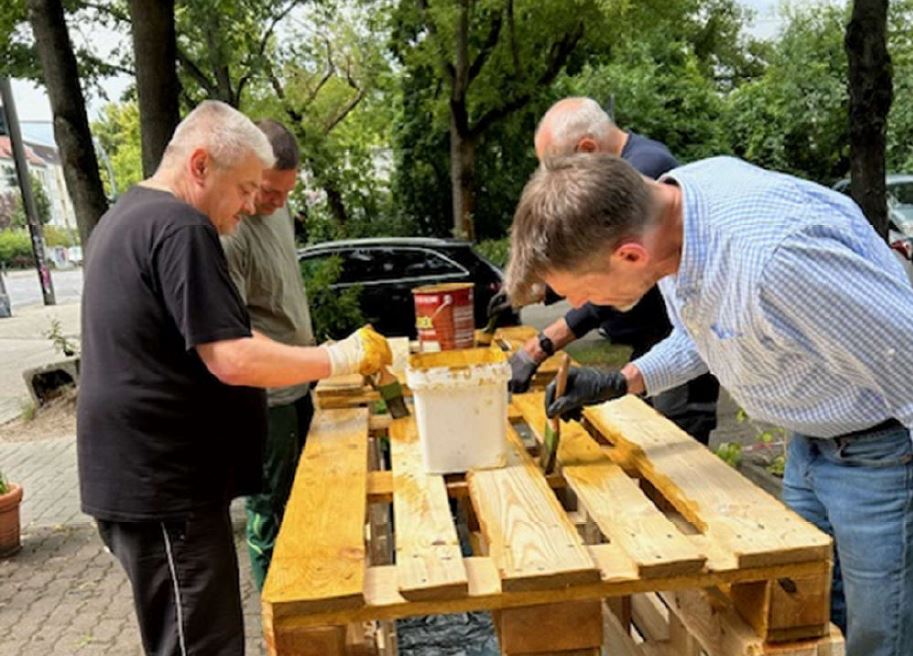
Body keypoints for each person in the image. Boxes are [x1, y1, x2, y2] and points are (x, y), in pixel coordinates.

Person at [504, 152, 913, 656]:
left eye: (588, 292)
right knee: (804, 614)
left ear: (629, 256)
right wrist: (622, 380)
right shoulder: (676, 216)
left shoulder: (774, 259)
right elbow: (716, 330)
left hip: (885, 453)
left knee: (884, 635)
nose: (595, 307)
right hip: (814, 441)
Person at [77, 100, 391, 656]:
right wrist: (337, 359)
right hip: (163, 489)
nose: (251, 205)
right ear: (200, 165)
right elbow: (233, 359)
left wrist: (321, 353)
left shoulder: (128, 216)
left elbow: (224, 337)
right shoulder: (182, 227)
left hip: (153, 484)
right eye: (246, 187)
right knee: (203, 644)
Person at [503, 97, 719, 443]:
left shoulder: (641, 173)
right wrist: (538, 290)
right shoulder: (624, 175)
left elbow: (605, 285)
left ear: (587, 149)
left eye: (560, 171)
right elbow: (596, 272)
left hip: (680, 359)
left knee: (677, 460)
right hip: (668, 347)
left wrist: (542, 345)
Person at [221, 119, 315, 591]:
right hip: (267, 400)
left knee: (305, 497)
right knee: (269, 511)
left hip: (301, 385)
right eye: (270, 191)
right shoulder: (230, 235)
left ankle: (308, 594)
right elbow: (234, 334)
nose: (278, 203)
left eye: (286, 193)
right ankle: (277, 610)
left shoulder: (276, 210)